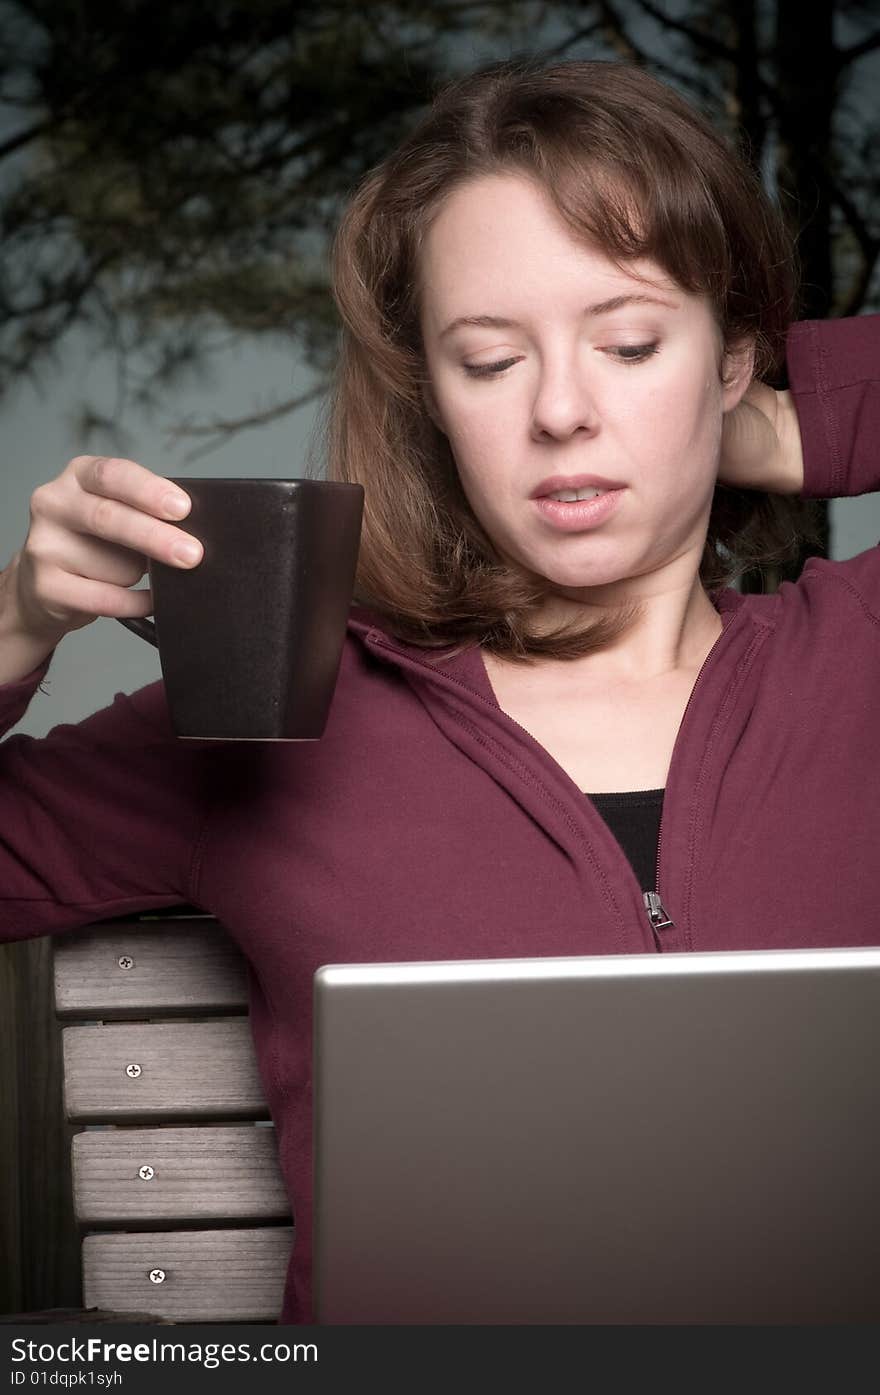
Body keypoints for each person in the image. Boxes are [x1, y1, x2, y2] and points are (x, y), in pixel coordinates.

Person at [1, 58, 878, 1324]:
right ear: (432, 399)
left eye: (630, 342)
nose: (563, 411)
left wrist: (797, 431)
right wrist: (14, 623)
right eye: (488, 361)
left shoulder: (854, 659)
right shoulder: (284, 716)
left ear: (732, 357)